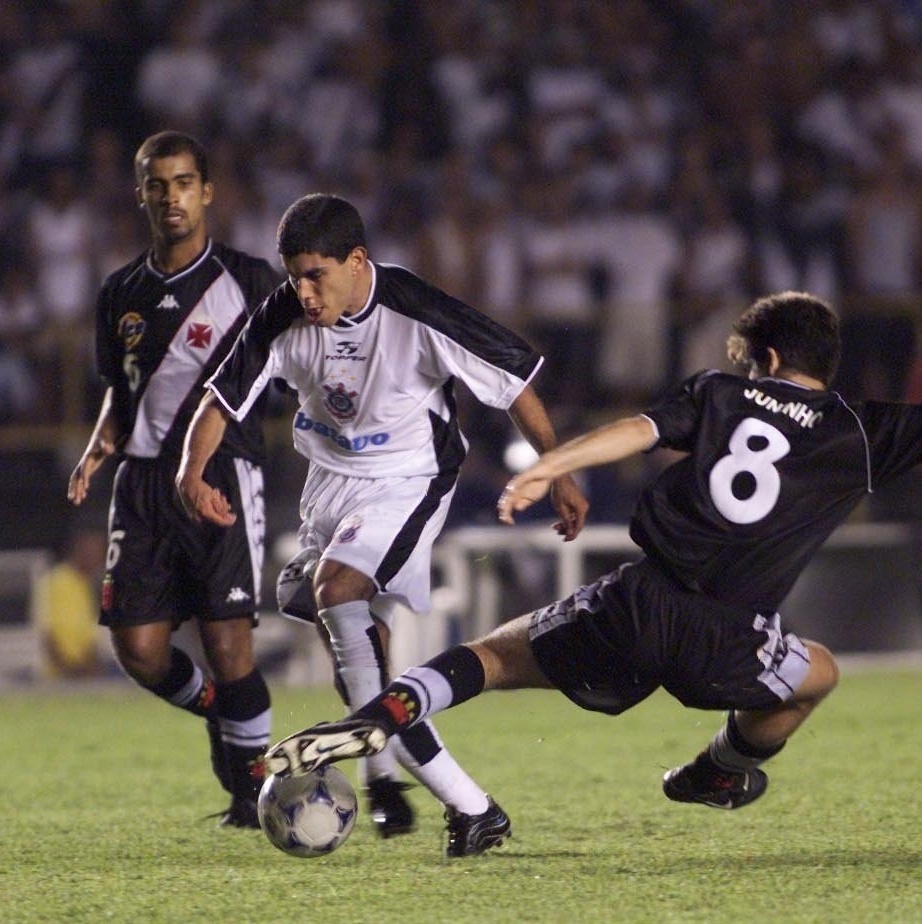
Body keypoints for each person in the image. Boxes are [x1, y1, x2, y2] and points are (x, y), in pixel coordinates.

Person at [263, 289, 922, 846]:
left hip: (638, 604)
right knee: (820, 674)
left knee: (489, 658)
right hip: (732, 638)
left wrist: (551, 467)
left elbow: (636, 430)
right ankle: (719, 770)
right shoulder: (861, 433)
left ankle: (386, 712)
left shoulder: (722, 395)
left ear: (767, 359)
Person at [175, 193, 588, 856]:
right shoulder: (281, 316)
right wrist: (191, 474)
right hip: (328, 485)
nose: (304, 292)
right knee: (350, 637)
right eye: (294, 277)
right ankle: (434, 794)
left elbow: (515, 384)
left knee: (338, 596)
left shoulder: (415, 309)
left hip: (409, 479)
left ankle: (422, 790)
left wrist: (559, 472)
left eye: (317, 275)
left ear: (358, 261)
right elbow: (221, 399)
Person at [67, 131, 278, 828]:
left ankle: (252, 797)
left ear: (208, 191)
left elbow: (294, 366)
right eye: (158, 185)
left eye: (184, 182)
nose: (172, 197)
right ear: (141, 195)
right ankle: (225, 716)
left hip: (220, 474)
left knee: (227, 645)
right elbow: (121, 389)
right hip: (143, 483)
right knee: (139, 649)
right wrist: (100, 446)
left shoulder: (249, 283)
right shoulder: (120, 291)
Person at [35, 526, 108, 678]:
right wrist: (68, 672)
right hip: (59, 678)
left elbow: (89, 638)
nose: (97, 560)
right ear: (78, 551)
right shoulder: (56, 581)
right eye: (91, 553)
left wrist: (90, 670)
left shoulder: (86, 585)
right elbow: (47, 633)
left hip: (84, 675)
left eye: (100, 554)